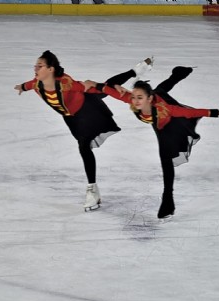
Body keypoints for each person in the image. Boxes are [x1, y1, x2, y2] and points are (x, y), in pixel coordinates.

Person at [83, 67, 219, 219]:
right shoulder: (132, 100)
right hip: (156, 108)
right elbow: (110, 91)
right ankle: (178, 73)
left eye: (140, 98)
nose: (135, 101)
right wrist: (93, 83)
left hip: (167, 123)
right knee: (161, 89)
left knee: (166, 158)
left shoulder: (165, 110)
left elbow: (190, 113)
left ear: (149, 99)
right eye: (134, 97)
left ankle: (168, 199)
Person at [14, 51, 153, 211]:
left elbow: (88, 88)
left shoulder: (66, 83)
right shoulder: (37, 83)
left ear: (51, 69)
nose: (35, 68)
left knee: (84, 145)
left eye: (40, 66)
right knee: (105, 88)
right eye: (35, 65)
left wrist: (110, 89)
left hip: (86, 108)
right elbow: (29, 84)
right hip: (71, 118)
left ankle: (92, 190)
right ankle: (135, 71)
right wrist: (22, 87)